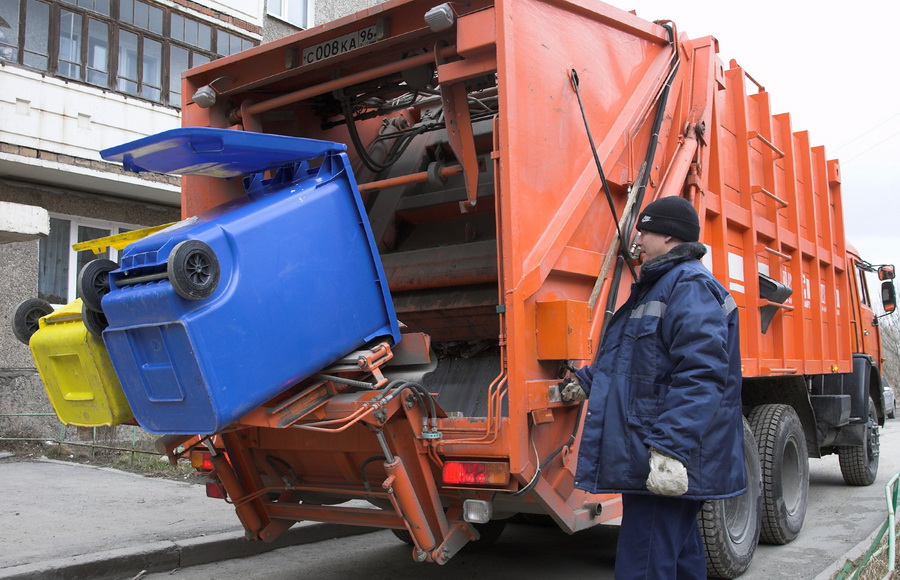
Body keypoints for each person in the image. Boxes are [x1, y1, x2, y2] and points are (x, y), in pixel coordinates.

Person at [561, 195, 745, 579]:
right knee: (678, 557)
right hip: (657, 449)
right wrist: (587, 381)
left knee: (643, 564)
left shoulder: (689, 286)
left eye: (645, 230)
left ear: (671, 237)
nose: (638, 238)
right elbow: (637, 363)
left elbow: (702, 374)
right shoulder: (662, 286)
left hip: (664, 453)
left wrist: (669, 449)